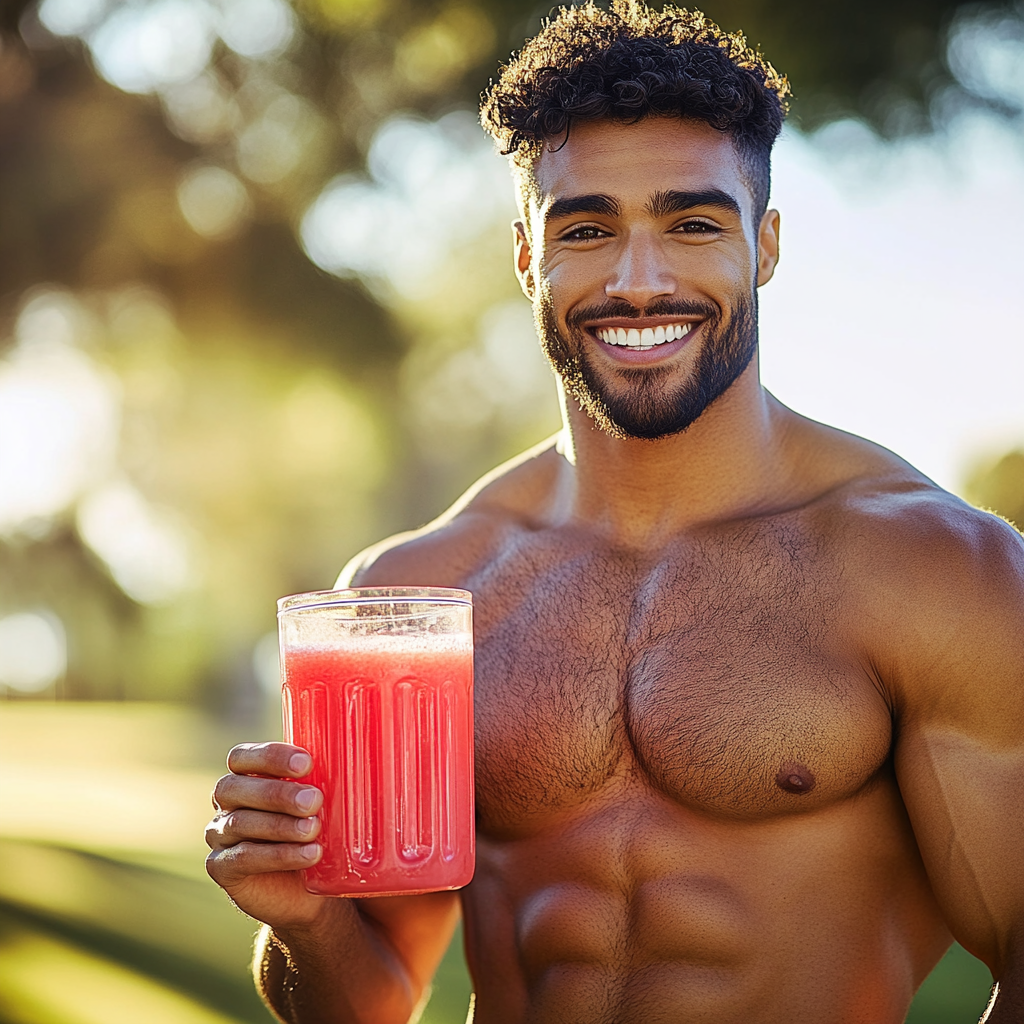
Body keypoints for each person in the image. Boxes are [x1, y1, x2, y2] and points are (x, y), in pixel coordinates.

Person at [205, 3, 1024, 1021]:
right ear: (523, 256)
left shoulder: (938, 569)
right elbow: (364, 1001)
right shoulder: (416, 595)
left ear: (764, 245)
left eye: (692, 223)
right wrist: (303, 918)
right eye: (586, 229)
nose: (639, 281)